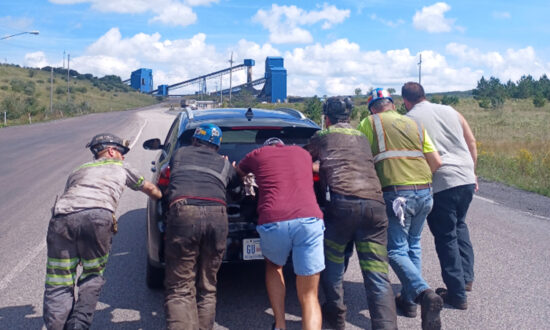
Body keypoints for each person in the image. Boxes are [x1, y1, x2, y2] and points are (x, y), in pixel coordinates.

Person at [43, 133, 162, 330]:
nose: (123, 157)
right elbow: (150, 188)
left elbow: (69, 194)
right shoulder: (120, 166)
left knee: (59, 279)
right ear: (111, 151)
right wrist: (163, 197)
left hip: (61, 220)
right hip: (97, 219)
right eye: (122, 153)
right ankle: (78, 326)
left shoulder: (78, 170)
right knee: (91, 276)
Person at [304, 97, 397, 330]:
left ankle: (336, 312)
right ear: (349, 117)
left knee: (334, 259)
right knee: (377, 270)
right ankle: (386, 325)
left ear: (326, 118)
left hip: (342, 205)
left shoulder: (323, 136)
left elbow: (301, 160)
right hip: (375, 206)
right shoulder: (361, 137)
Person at [357, 88, 443, 330]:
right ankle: (409, 301)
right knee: (413, 245)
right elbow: (436, 161)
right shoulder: (414, 124)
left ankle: (424, 294)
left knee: (395, 251)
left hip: (396, 194)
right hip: (425, 192)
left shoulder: (369, 122)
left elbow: (360, 156)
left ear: (373, 108)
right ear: (392, 105)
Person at [402, 82, 477, 310]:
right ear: (424, 95)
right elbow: (471, 140)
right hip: (465, 175)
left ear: (405, 100)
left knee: (445, 236)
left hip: (442, 180)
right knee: (460, 226)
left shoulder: (409, 119)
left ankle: (456, 295)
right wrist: (472, 171)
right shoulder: (450, 110)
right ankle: (466, 279)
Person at [237, 137, 325, 330]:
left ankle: (280, 324)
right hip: (309, 219)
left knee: (274, 265)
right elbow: (314, 169)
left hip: (273, 219)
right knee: (310, 295)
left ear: (266, 147)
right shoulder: (302, 154)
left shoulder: (257, 154)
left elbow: (239, 170)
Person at [163, 123, 240, 330]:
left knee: (180, 287)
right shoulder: (224, 165)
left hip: (184, 213)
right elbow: (236, 188)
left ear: (195, 140)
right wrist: (228, 166)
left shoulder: (180, 153)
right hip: (218, 216)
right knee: (207, 286)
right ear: (217, 146)